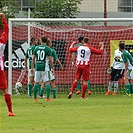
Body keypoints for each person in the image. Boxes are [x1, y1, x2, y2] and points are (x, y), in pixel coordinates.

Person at [0, 13, 15, 116]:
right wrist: (3, 19)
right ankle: (10, 111)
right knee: (5, 90)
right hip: (0, 70)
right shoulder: (1, 42)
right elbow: (6, 30)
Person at [31, 36, 54, 102]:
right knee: (47, 82)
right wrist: (52, 68)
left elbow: (33, 59)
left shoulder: (36, 48)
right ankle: (47, 98)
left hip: (38, 67)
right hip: (45, 67)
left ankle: (35, 99)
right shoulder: (48, 49)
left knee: (36, 83)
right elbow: (50, 60)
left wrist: (32, 67)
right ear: (46, 41)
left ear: (40, 40)